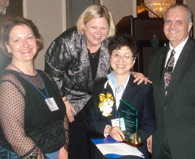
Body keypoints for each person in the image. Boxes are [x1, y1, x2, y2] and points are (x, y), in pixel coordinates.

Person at [45, 4, 148, 159]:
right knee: (75, 146)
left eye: (103, 28)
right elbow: (52, 72)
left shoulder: (110, 43)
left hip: (98, 98)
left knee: (99, 142)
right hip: (70, 99)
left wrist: (135, 74)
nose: (98, 33)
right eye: (93, 27)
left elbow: (119, 63)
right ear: (84, 25)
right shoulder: (68, 41)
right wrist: (63, 100)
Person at [0, 16, 69, 159]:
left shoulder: (45, 77)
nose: (25, 44)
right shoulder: (9, 83)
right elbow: (15, 136)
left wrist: (64, 148)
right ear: (8, 46)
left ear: (37, 41)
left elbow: (62, 115)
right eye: (17, 40)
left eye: (29, 38)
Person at [86, 34, 156, 159]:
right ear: (110, 58)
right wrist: (108, 130)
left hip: (134, 152)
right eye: (116, 55)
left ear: (133, 61)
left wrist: (133, 139)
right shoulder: (99, 86)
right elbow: (90, 122)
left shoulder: (144, 87)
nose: (121, 60)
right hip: (105, 152)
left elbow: (150, 122)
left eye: (127, 56)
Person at [147, 4, 195, 159]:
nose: (172, 26)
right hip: (159, 143)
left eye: (179, 22)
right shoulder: (155, 58)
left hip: (191, 145)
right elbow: (153, 100)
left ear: (189, 25)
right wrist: (150, 132)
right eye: (168, 21)